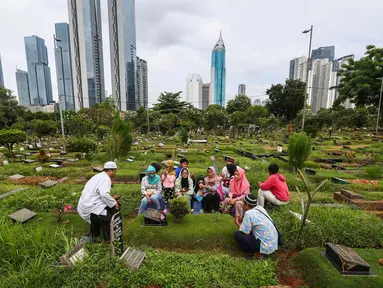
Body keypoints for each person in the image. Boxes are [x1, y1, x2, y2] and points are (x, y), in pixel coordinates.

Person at [77, 161, 119, 241]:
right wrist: (114, 203)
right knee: (107, 218)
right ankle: (108, 241)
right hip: (91, 206)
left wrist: (112, 199)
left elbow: (97, 193)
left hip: (86, 204)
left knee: (103, 213)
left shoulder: (98, 176)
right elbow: (103, 194)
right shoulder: (106, 179)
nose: (115, 174)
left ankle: (94, 236)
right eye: (114, 172)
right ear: (110, 171)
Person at [234, 195, 278, 260]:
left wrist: (237, 222)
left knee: (237, 235)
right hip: (273, 243)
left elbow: (244, 232)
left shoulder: (248, 213)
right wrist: (243, 219)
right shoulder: (260, 208)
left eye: (243, 202)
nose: (242, 204)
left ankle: (258, 254)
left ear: (246, 204)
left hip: (265, 246)